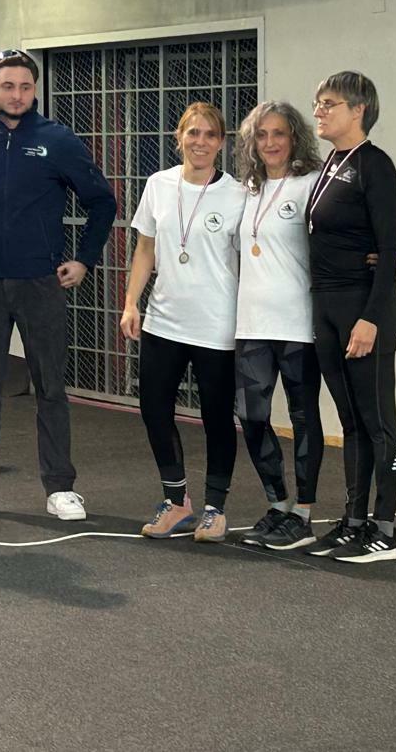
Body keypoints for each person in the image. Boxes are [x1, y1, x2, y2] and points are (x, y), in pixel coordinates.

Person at [0, 49, 117, 521]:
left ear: (35, 90)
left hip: (40, 282)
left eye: (25, 87)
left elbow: (102, 201)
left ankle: (60, 488)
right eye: (8, 86)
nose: (17, 95)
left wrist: (84, 260)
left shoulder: (58, 140)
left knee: (50, 387)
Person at [120, 102, 248, 542]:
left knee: (217, 417)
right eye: (193, 133)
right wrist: (131, 303)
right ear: (179, 137)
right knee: (154, 409)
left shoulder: (237, 194)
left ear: (222, 143)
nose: (200, 142)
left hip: (216, 325)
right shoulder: (159, 185)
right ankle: (176, 502)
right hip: (164, 322)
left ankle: (215, 508)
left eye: (210, 134)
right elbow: (145, 249)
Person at [305, 71, 396, 564]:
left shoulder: (375, 165)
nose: (319, 112)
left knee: (378, 421)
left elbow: (388, 250)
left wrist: (370, 319)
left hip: (364, 310)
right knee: (350, 422)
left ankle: (385, 529)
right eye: (318, 103)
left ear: (358, 109)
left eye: (329, 104)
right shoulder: (331, 163)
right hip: (327, 305)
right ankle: (353, 521)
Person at [230, 101, 326, 551]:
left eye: (279, 134)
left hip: (298, 325)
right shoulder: (246, 190)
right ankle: (278, 503)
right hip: (251, 324)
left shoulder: (310, 184)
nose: (270, 142)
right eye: (262, 135)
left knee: (304, 417)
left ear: (295, 138)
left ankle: (303, 514)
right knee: (251, 416)